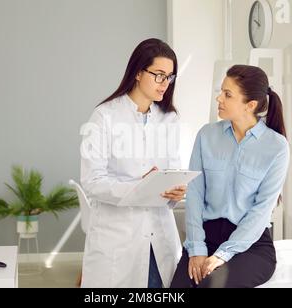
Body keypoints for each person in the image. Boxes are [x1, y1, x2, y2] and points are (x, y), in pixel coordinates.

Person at [171, 65, 290, 288]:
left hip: (250, 245)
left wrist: (224, 254)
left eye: (228, 94)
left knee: (210, 285)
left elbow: (261, 210)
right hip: (206, 237)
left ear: (250, 105)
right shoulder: (207, 135)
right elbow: (195, 194)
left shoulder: (276, 147)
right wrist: (196, 248)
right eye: (221, 91)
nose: (219, 98)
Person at [80, 38, 186, 288]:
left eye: (169, 77)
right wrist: (140, 186)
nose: (165, 83)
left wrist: (175, 190)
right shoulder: (104, 116)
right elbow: (92, 182)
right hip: (119, 238)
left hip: (160, 236)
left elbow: (173, 170)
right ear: (138, 72)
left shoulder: (169, 119)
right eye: (158, 75)